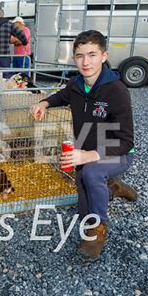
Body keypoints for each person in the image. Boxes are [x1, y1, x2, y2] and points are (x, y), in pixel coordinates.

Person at [30, 30, 137, 260]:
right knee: (83, 184)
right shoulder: (76, 84)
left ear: (104, 56)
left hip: (119, 152)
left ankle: (97, 230)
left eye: (92, 54)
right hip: (87, 151)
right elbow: (62, 96)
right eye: (79, 56)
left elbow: (127, 141)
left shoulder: (117, 90)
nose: (85, 62)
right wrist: (45, 102)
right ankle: (112, 189)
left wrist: (90, 155)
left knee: (91, 172)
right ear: (73, 58)